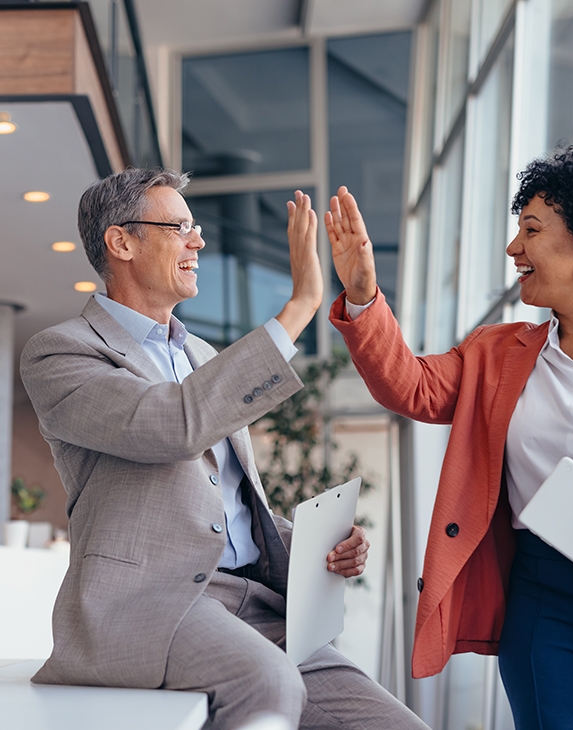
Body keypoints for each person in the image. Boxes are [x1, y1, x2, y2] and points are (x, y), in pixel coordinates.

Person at [325, 143, 573, 729]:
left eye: (532, 230)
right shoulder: (496, 353)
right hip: (546, 607)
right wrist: (364, 296)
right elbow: (409, 387)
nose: (514, 248)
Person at [20, 168, 430, 730]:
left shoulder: (204, 357)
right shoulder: (61, 353)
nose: (199, 241)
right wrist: (302, 303)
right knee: (267, 683)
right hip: (155, 606)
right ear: (121, 242)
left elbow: (228, 505)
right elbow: (170, 425)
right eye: (179, 226)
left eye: (196, 226)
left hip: (254, 605)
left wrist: (316, 546)